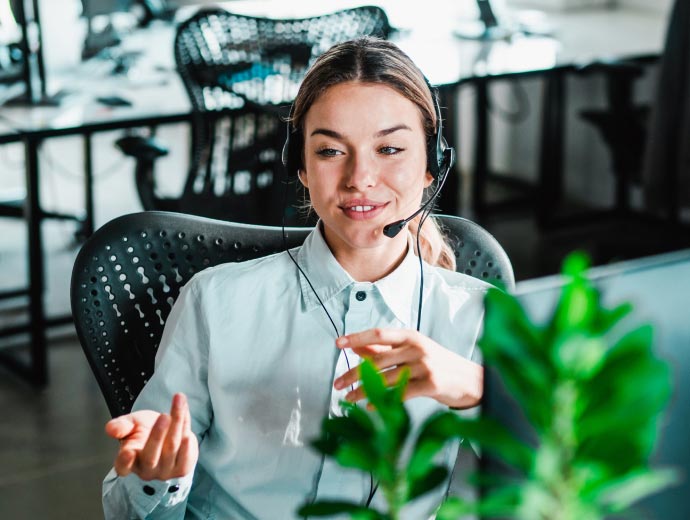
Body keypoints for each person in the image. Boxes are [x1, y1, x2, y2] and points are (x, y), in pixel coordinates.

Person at [102, 36, 489, 519]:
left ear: (433, 165)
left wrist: (479, 389)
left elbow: (566, 483)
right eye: (330, 151)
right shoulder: (216, 302)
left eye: (389, 148)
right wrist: (154, 478)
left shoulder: (478, 316)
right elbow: (125, 507)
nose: (360, 178)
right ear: (299, 166)